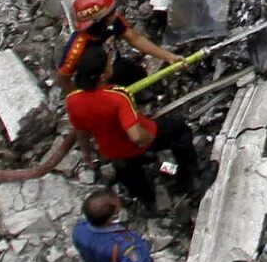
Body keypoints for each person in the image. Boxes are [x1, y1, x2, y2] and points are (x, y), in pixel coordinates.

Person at [63, 53, 198, 213]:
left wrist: (87, 153)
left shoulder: (72, 100)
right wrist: (148, 139)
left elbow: (81, 131)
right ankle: (190, 178)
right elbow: (136, 135)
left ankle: (148, 202)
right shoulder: (117, 96)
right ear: (102, 76)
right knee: (179, 128)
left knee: (132, 175)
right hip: (137, 143)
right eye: (108, 65)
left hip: (112, 151)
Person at [74, 191, 159, 262]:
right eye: (118, 207)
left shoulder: (79, 228)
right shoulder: (124, 247)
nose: (121, 205)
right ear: (111, 218)